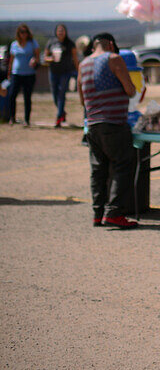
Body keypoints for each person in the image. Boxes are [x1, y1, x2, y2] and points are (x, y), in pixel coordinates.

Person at [78, 33, 139, 229]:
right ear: (111, 44)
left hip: (92, 125)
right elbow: (130, 90)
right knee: (123, 165)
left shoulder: (83, 64)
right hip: (113, 123)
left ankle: (98, 213)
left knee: (98, 170)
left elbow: (82, 100)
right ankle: (114, 213)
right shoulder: (114, 59)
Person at [44, 23, 79, 127]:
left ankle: (59, 117)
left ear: (65, 32)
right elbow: (45, 57)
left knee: (61, 93)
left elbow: (75, 59)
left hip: (66, 72)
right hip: (53, 72)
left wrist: (79, 71)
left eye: (62, 30)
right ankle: (62, 112)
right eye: (59, 31)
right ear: (56, 32)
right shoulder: (51, 42)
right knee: (55, 94)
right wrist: (51, 59)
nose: (60, 32)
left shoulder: (70, 44)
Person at [8, 24, 40, 127]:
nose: (23, 34)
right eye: (21, 32)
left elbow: (37, 57)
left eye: (25, 32)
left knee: (27, 97)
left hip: (29, 74)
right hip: (16, 73)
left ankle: (27, 119)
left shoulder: (32, 43)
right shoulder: (14, 44)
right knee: (12, 95)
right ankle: (12, 117)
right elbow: (11, 60)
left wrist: (34, 60)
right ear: (18, 33)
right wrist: (9, 73)